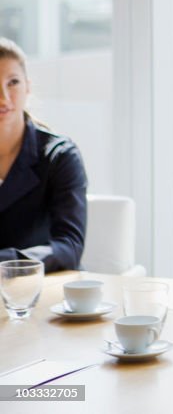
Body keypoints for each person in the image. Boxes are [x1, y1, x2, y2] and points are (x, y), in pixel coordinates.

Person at [0, 37, 88, 273]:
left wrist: (8, 262)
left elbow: (69, 247)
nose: (3, 98)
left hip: (43, 288)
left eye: (13, 83)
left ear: (28, 87)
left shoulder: (59, 156)